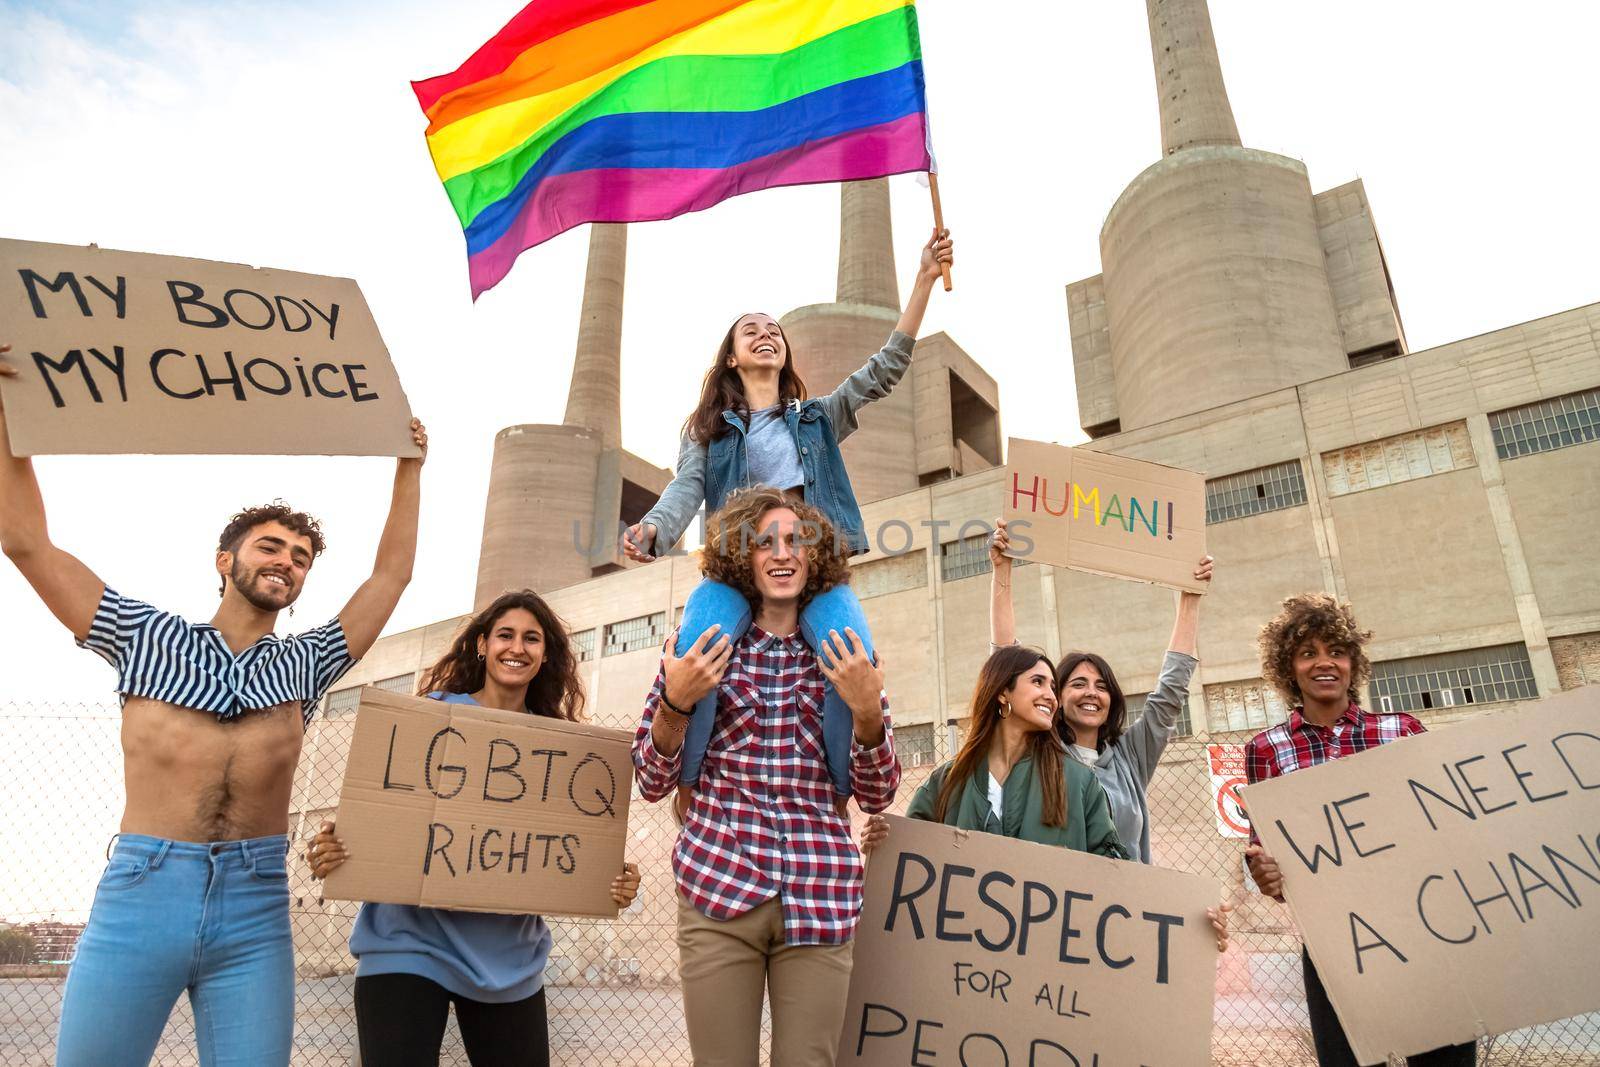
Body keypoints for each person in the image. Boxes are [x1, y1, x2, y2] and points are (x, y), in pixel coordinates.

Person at [0, 344, 427, 1066]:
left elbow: (391, 576)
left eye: (299, 556)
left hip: (255, 907)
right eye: (270, 545)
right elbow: (25, 541)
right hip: (143, 894)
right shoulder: (142, 634)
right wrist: (8, 407)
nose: (286, 561)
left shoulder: (305, 661)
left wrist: (408, 470)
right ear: (225, 560)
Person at [620, 229, 952, 812]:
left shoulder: (817, 419)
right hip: (733, 569)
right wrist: (654, 528)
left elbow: (883, 371)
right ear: (731, 356)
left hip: (810, 569)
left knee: (855, 656)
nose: (766, 334)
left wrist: (923, 280)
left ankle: (840, 789)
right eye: (751, 330)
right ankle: (690, 783)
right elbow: (688, 487)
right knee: (695, 651)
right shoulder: (709, 430)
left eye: (774, 330)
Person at [308, 590, 643, 1067]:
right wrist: (339, 842)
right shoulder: (430, 716)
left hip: (508, 961)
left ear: (545, 655)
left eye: (532, 638)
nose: (517, 647)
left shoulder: (559, 746)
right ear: (482, 645)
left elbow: (574, 848)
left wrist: (611, 877)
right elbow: (382, 811)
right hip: (407, 945)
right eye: (505, 635)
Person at [632, 487, 900, 1066]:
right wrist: (676, 704)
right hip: (719, 887)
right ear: (742, 557)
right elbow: (652, 781)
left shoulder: (849, 655)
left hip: (820, 895)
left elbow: (878, 794)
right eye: (764, 542)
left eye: (796, 540)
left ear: (815, 555)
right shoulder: (699, 646)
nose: (783, 553)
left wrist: (868, 713)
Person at [860, 644, 1229, 950]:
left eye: (1053, 686)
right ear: (1002, 691)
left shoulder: (1079, 781)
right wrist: (883, 841)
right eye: (1038, 682)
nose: (1050, 696)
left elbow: (1118, 877)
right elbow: (910, 869)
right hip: (962, 962)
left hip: (1050, 971)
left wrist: (1186, 921)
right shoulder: (947, 781)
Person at [1243, 593, 1475, 1066]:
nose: (1324, 663)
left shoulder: (1401, 731)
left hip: (1427, 929)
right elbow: (1270, 857)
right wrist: (1266, 875)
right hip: (1336, 943)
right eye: (1308, 653)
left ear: (1354, 663)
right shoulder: (1265, 750)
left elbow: (1446, 831)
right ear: (1289, 668)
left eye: (1336, 651)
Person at [987, 516, 1213, 863]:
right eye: (1078, 684)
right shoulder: (1038, 751)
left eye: (1101, 686)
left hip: (1123, 908)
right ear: (1056, 698)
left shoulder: (1130, 758)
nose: (1092, 693)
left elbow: (1170, 693)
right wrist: (1002, 571)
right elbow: (1005, 663)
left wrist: (1190, 597)